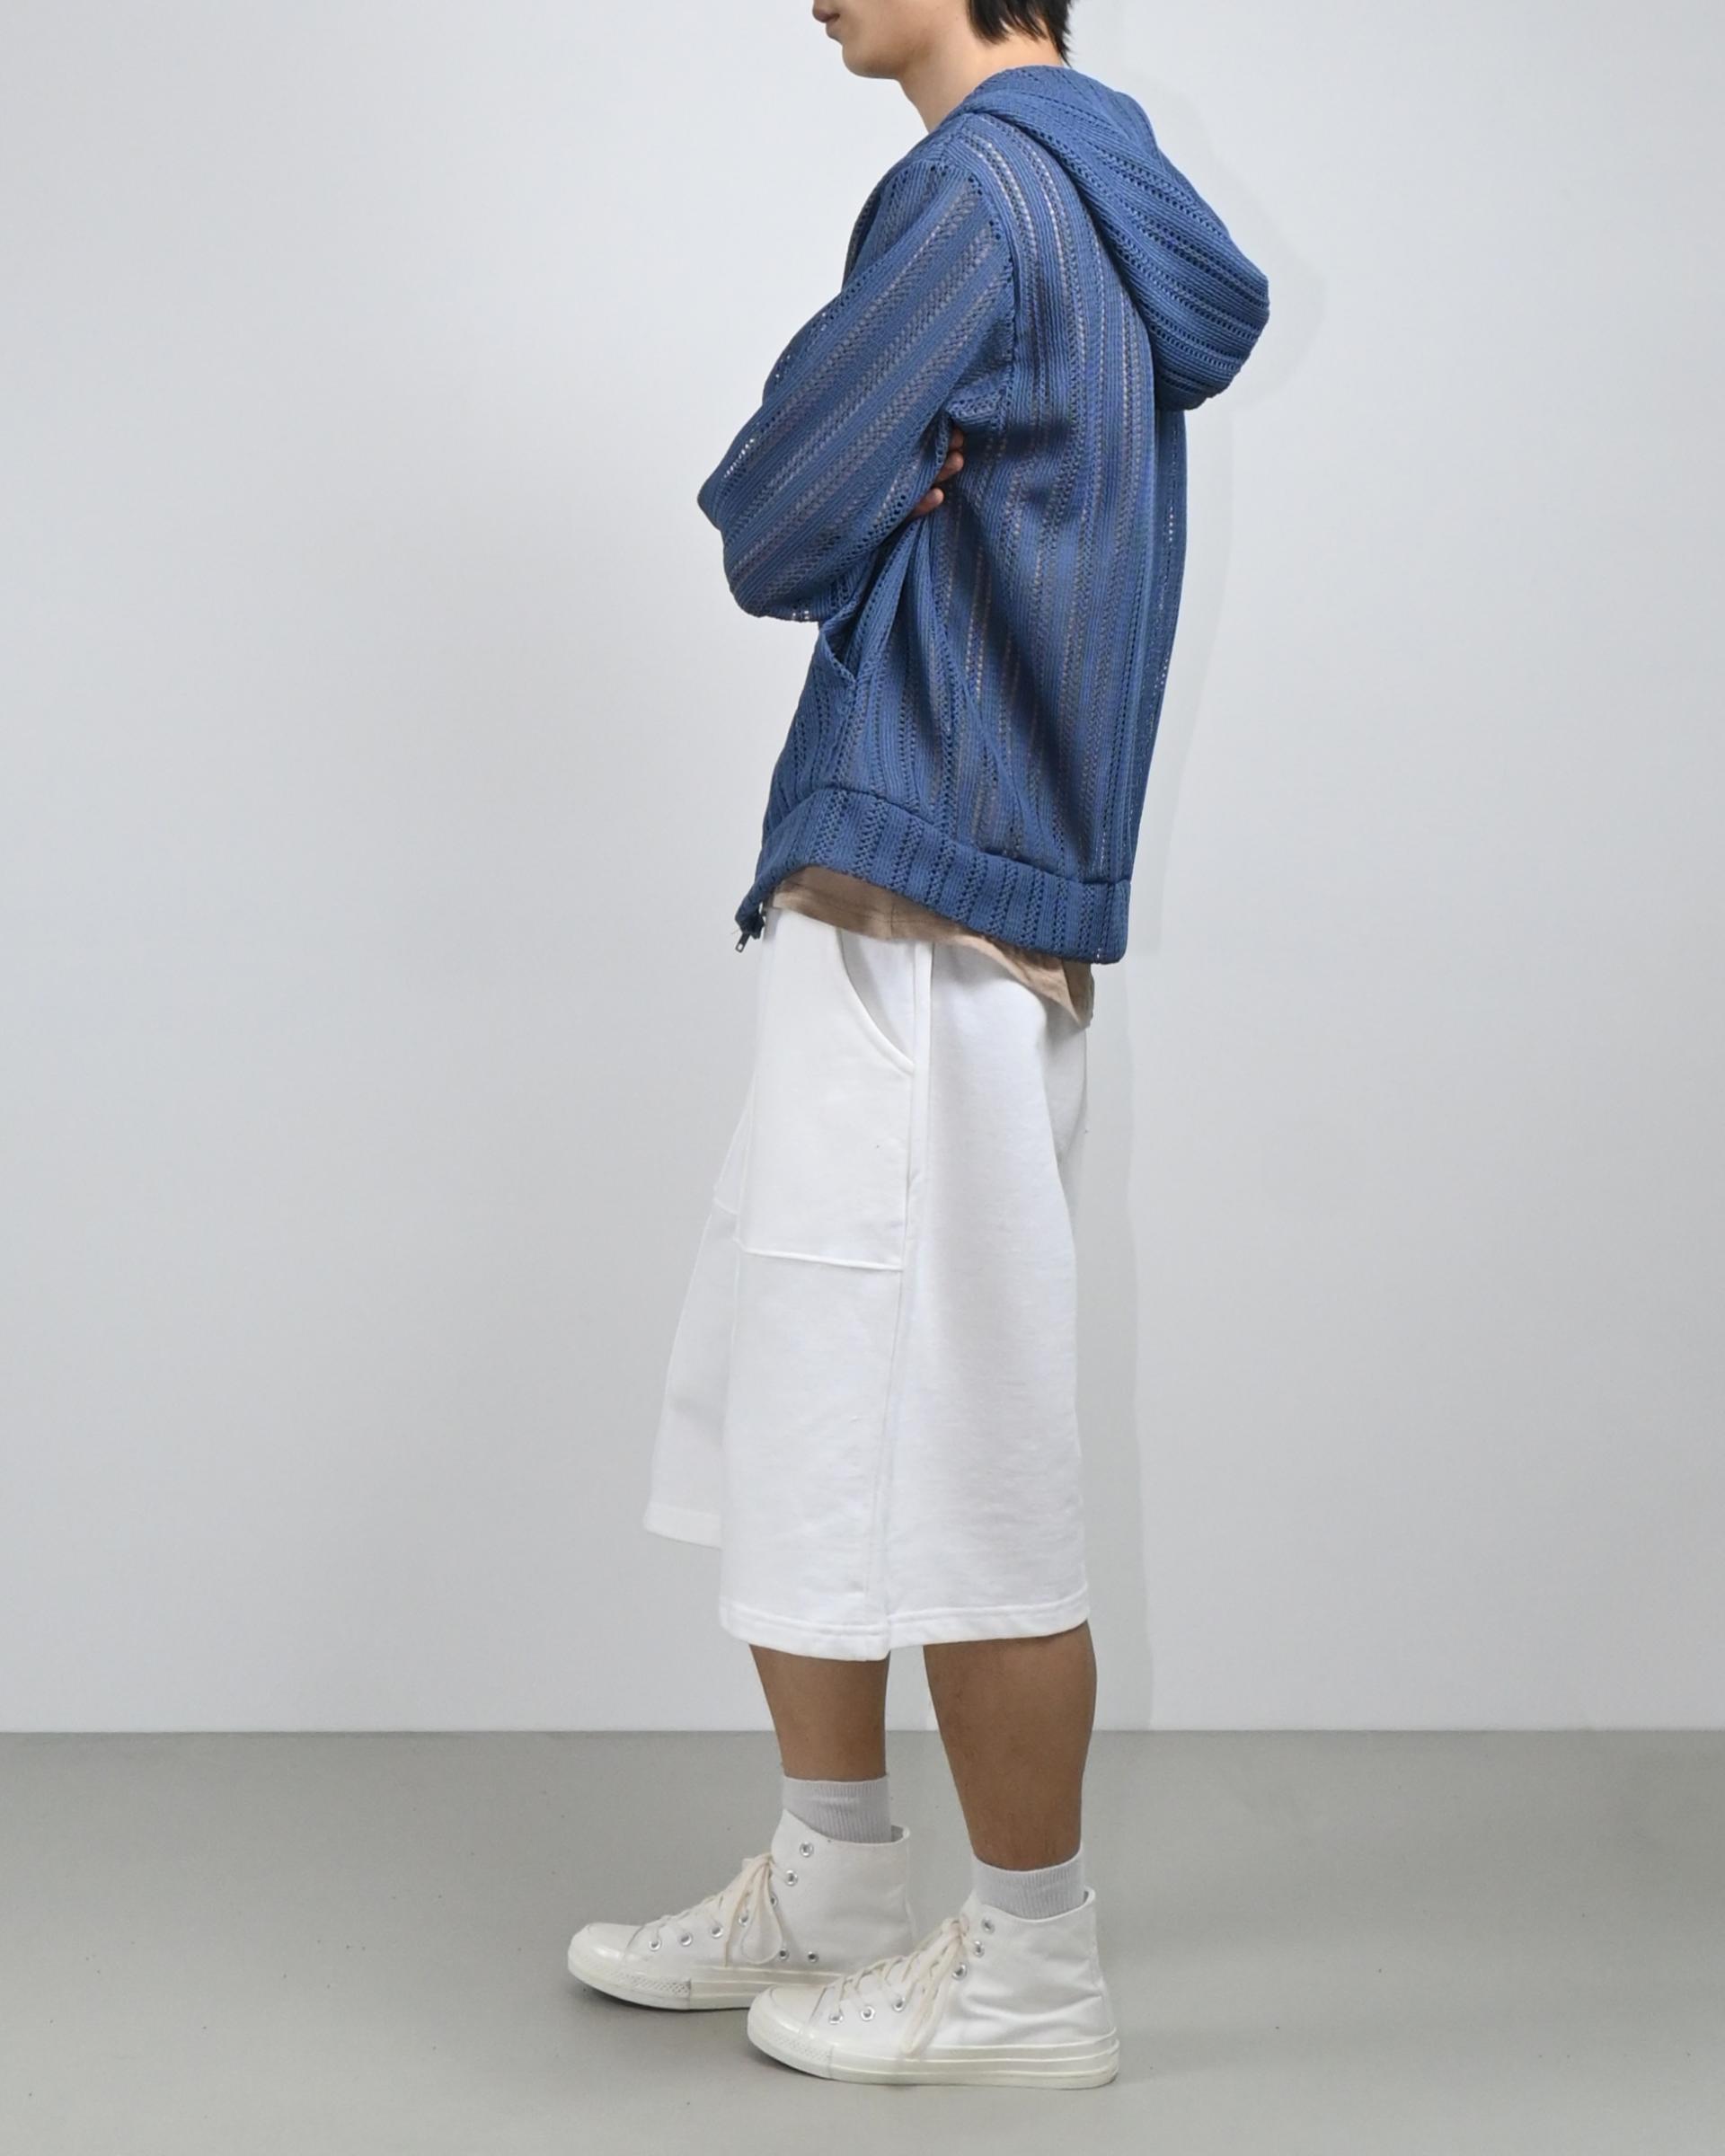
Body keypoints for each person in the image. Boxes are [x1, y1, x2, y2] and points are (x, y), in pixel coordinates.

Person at [569, 0, 1269, 2088]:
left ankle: (1035, 1969)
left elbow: (770, 513)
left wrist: (866, 490)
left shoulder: (977, 194)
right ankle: (837, 1879)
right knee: (809, 1391)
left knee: (965, 1441)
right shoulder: (1098, 191)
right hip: (945, 872)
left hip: (931, 876)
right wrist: (901, 484)